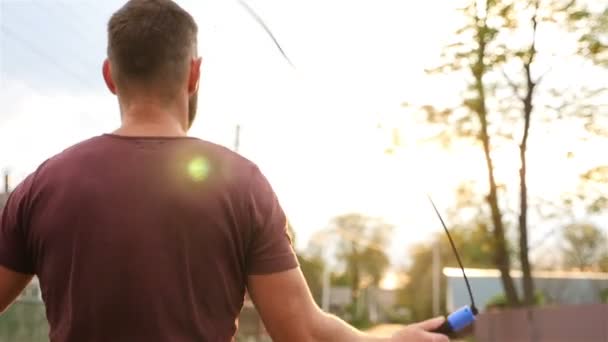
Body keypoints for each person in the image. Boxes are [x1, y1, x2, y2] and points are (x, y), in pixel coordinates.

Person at [0, 1, 450, 341]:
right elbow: (303, 333)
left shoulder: (42, 186)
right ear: (194, 74)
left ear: (109, 75)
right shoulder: (243, 185)